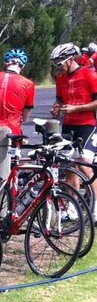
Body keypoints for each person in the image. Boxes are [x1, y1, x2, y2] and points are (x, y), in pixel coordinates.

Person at [51, 42, 97, 215]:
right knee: (71, 167)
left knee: (85, 164)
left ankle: (95, 207)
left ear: (70, 60)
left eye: (59, 63)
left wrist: (75, 108)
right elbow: (60, 100)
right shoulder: (61, 78)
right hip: (69, 124)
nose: (57, 67)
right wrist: (56, 108)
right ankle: (72, 206)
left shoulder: (89, 75)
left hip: (87, 125)